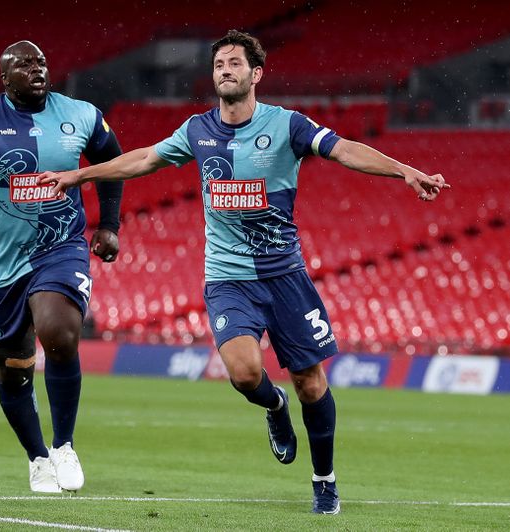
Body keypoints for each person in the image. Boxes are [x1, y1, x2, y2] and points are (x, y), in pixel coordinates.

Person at [39, 30, 448, 513]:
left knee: (312, 383)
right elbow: (145, 159)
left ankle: (325, 481)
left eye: (234, 63)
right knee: (243, 372)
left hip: (284, 276)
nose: (225, 71)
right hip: (228, 277)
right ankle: (274, 408)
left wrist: (403, 170)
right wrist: (79, 175)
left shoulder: (288, 125)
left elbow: (345, 150)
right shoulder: (197, 130)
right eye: (218, 65)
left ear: (255, 74)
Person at [0, 41, 124, 492]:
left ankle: (65, 444)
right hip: (0, 264)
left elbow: (111, 161)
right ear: (4, 77)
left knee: (59, 331)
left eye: (41, 62)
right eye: (23, 64)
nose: (36, 68)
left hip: (61, 246)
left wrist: (109, 224)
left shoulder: (82, 114)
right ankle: (38, 458)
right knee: (12, 368)